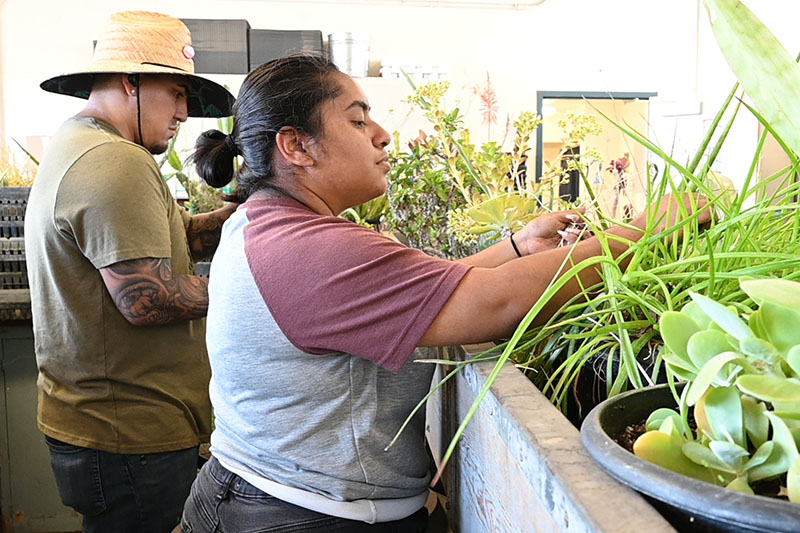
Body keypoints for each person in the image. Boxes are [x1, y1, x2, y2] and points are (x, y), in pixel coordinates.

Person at [180, 55, 711, 533]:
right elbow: (494, 303)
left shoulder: (266, 224)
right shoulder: (305, 249)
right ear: (296, 146)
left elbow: (420, 291)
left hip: (267, 499)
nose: (382, 135)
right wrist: (645, 230)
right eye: (358, 120)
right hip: (297, 516)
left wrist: (518, 247)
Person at [25, 11, 237, 533]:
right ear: (130, 81)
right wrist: (263, 285)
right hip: (132, 439)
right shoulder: (114, 161)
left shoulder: (84, 144)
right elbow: (148, 299)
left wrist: (253, 212)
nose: (185, 113)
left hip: (108, 431)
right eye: (177, 94)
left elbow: (180, 236)